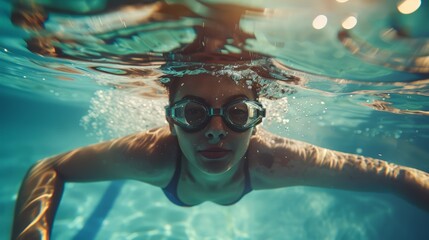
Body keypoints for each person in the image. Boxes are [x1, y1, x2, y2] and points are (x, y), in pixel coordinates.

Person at [11, 71, 429, 240]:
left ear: (256, 121)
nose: (215, 129)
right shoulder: (151, 156)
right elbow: (47, 167)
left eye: (236, 113)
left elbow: (398, 176)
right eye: (193, 113)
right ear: (171, 120)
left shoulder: (275, 159)